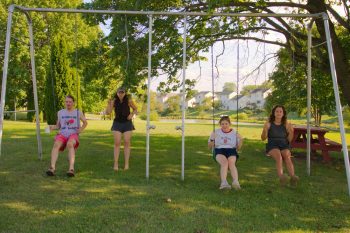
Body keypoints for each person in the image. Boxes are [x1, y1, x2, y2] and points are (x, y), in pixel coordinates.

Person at [46, 95, 88, 177]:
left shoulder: (78, 112)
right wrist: (51, 127)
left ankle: (71, 169)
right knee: (56, 145)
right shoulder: (60, 112)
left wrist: (81, 129)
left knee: (70, 144)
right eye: (66, 102)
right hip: (62, 134)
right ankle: (52, 168)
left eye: (70, 102)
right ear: (65, 102)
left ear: (73, 103)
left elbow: (85, 122)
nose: (68, 103)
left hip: (73, 134)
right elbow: (58, 126)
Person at [261, 105, 299, 186]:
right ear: (274, 113)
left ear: (283, 113)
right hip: (272, 144)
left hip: (284, 144)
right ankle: (282, 177)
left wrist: (291, 132)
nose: (278, 113)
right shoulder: (269, 124)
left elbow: (289, 140)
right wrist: (265, 130)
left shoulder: (286, 124)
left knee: (287, 156)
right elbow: (263, 138)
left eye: (280, 111)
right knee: (279, 156)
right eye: (277, 111)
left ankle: (293, 178)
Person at [105, 87, 138, 171]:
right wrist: (109, 104)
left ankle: (126, 164)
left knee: (127, 142)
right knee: (117, 143)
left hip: (127, 123)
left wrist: (131, 114)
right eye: (119, 92)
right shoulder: (114, 101)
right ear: (117, 93)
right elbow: (108, 112)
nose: (121, 94)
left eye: (122, 92)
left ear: (125, 93)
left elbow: (135, 109)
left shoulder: (129, 101)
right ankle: (115, 163)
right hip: (117, 123)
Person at [208, 115, 243, 190]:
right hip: (219, 150)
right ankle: (224, 183)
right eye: (222, 124)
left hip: (231, 150)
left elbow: (238, 148)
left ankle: (235, 182)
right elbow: (210, 146)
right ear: (220, 124)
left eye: (226, 123)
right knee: (224, 163)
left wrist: (241, 139)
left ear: (229, 124)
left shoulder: (234, 133)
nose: (224, 125)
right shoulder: (216, 132)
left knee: (231, 163)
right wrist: (212, 139)